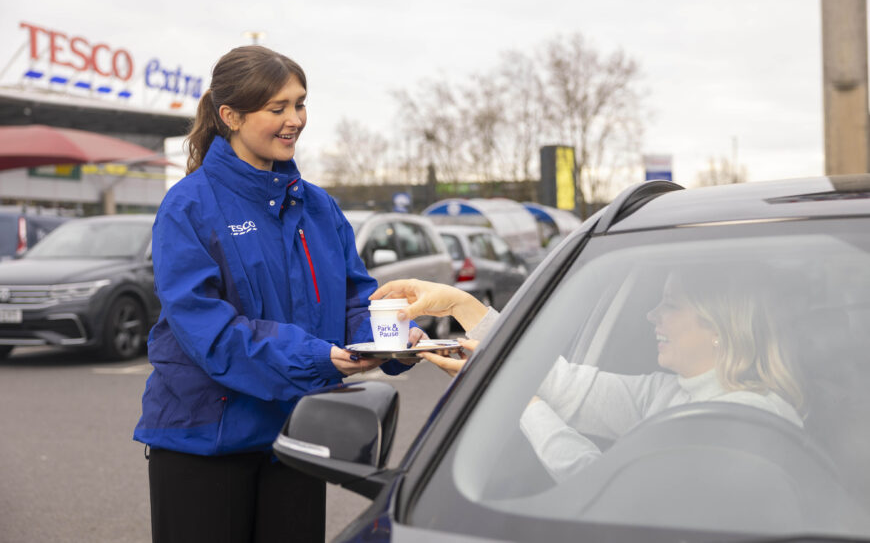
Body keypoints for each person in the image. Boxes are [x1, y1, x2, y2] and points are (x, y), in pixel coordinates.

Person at [133, 46, 421, 543]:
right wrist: (318, 357)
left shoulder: (319, 207)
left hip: (296, 438)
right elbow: (210, 331)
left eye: (301, 104)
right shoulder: (188, 207)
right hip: (205, 442)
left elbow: (355, 300)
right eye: (278, 108)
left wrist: (390, 338)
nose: (295, 120)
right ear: (231, 116)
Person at [372, 267, 805, 482]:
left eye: (670, 304)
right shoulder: (667, 393)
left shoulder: (748, 422)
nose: (652, 314)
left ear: (718, 325)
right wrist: (461, 307)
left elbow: (602, 487)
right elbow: (564, 384)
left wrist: (513, 396)